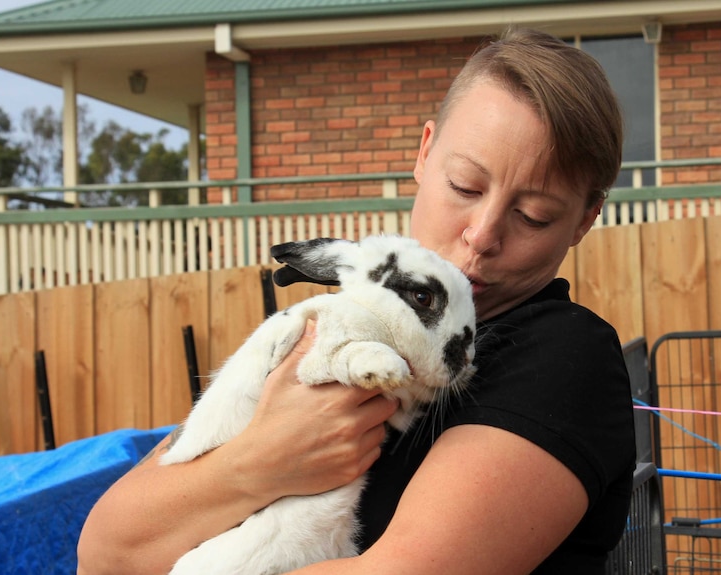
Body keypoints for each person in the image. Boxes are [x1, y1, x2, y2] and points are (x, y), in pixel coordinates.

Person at [77, 27, 636, 575]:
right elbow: (106, 551)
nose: (483, 234)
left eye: (533, 215)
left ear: (585, 220)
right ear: (424, 152)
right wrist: (264, 461)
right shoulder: (350, 313)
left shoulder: (562, 357)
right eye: (465, 186)